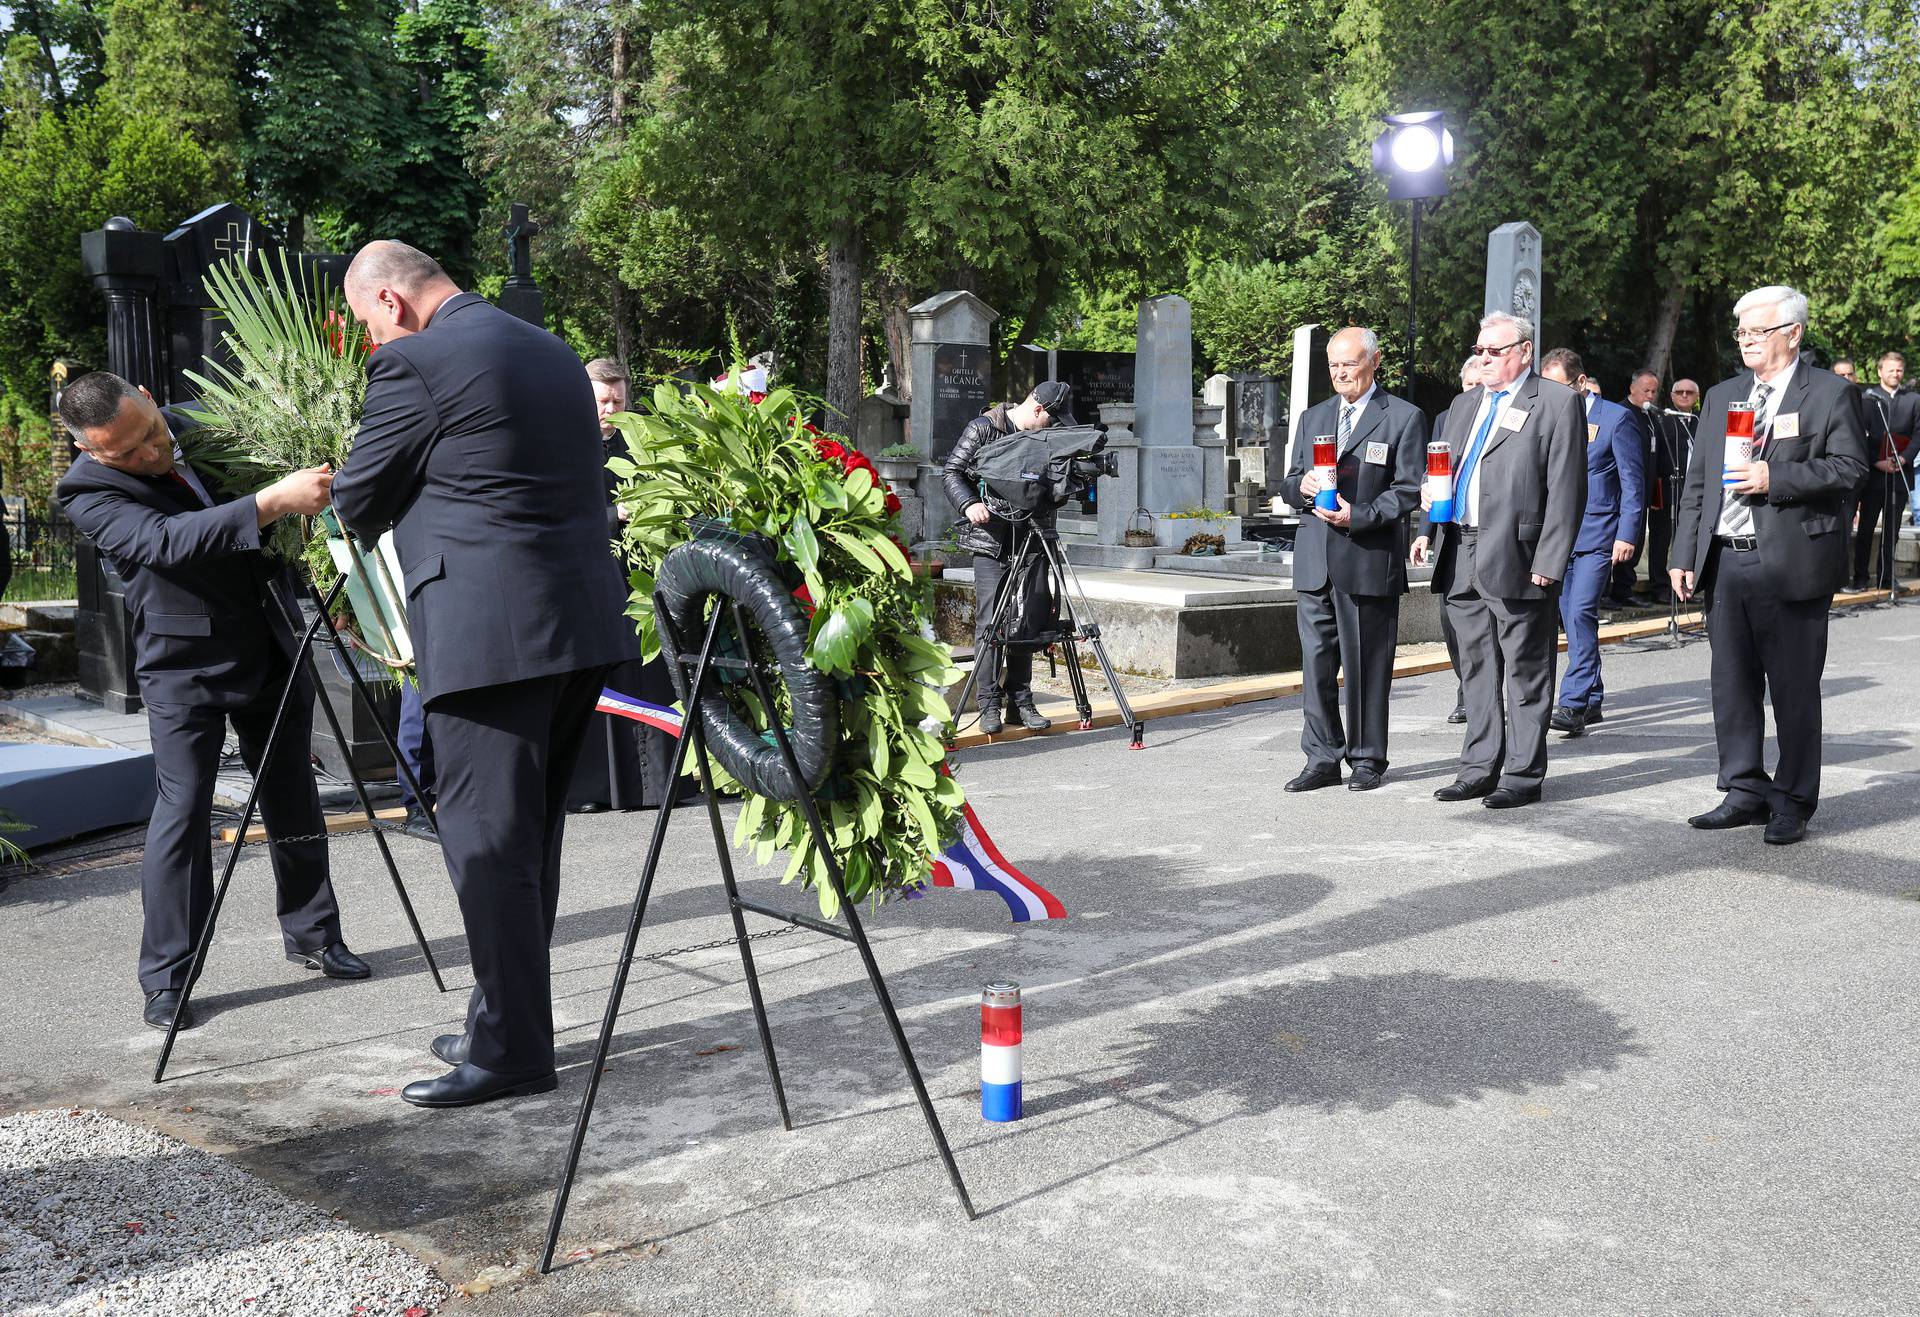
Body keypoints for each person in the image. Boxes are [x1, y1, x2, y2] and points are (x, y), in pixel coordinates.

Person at [332, 241, 636, 1107]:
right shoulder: (544, 347)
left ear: (390, 301)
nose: (371, 341)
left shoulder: (416, 363)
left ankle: (510, 1055)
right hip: (578, 624)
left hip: (486, 636)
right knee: (528, 839)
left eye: (365, 325)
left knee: (487, 845)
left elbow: (359, 499)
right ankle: (498, 1022)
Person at [55, 371, 370, 1032]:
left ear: (147, 394)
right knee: (183, 811)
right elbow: (167, 543)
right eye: (128, 453)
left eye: (151, 431)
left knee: (293, 792)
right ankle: (169, 975)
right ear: (93, 453)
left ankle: (315, 934)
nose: (151, 453)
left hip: (269, 641)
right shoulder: (85, 491)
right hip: (183, 666)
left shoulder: (209, 424)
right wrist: (274, 502)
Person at [1670, 285, 1867, 845]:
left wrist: (1774, 479)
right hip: (1726, 561)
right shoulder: (1722, 394)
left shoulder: (1830, 393)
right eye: (1741, 332)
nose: (1746, 342)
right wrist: (1684, 553)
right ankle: (1743, 790)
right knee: (1731, 684)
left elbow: (1851, 468)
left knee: (1793, 689)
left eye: (1757, 331)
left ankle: (1793, 800)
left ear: (1793, 333)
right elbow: (1700, 481)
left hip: (1793, 561)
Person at [1415, 312, 1586, 809]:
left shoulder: (1556, 403)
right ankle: (1478, 766)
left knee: (1526, 668)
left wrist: (1551, 559)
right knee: (1475, 665)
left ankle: (1523, 775)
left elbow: (1567, 489)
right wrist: (1434, 493)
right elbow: (1454, 465)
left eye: (1494, 351)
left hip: (1520, 552)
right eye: (1479, 350)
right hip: (1461, 547)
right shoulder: (1464, 403)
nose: (1483, 359)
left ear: (1525, 351)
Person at [1274, 327, 1425, 792]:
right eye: (1334, 365)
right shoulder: (1313, 415)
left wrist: (1356, 516)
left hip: (1366, 555)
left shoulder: (1403, 416)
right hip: (1315, 558)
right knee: (1316, 664)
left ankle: (1366, 758)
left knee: (1365, 665)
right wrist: (1297, 488)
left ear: (1374, 362)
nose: (1341, 373)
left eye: (1350, 364)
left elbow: (1409, 489)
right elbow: (1291, 480)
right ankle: (1321, 758)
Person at [567, 357, 698, 814]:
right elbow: (556, 518)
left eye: (618, 400)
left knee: (654, 677)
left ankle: (663, 784)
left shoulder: (639, 445)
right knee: (603, 684)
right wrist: (613, 517)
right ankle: (595, 789)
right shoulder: (562, 447)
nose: (610, 409)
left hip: (642, 583)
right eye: (603, 401)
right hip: (591, 582)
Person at [942, 380, 1074, 735]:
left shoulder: (1044, 439)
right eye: (1052, 419)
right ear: (1037, 409)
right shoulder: (985, 428)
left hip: (1031, 539)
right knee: (990, 623)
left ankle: (1020, 701)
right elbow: (952, 471)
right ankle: (988, 704)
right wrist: (969, 503)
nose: (1054, 427)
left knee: (1028, 618)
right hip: (991, 542)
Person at [1540, 349, 1645, 736]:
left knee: (1582, 611)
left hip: (1599, 534)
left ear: (1581, 383)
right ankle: (1593, 697)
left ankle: (1572, 701)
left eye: (1559, 387)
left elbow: (1634, 483)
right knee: (1570, 617)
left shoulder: (1616, 419)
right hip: (1556, 536)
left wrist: (1627, 534)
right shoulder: (1547, 419)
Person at [1422, 356, 1482, 724]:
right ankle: (1466, 686)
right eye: (1468, 386)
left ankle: (1478, 696)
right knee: (1451, 619)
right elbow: (1434, 478)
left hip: (1488, 535)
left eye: (1480, 385)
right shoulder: (1446, 419)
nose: (1473, 392)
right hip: (1451, 535)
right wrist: (1423, 533)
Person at [1853, 351, 1918, 588]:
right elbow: (1859, 435)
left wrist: (1903, 458)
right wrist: (1875, 461)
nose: (1895, 374)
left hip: (1899, 473)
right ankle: (1860, 578)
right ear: (1880, 371)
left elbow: (1918, 434)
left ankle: (1887, 577)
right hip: (1873, 475)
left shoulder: (1913, 400)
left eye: (1899, 369)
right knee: (1867, 529)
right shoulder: (1868, 400)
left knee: (1893, 531)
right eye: (1890, 369)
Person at [1606, 369, 1663, 604]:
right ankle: (1609, 591)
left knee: (1637, 541)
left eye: (1653, 391)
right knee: (1621, 540)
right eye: (1645, 390)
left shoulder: (1652, 417)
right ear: (1632, 389)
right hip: (1622, 492)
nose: (1649, 396)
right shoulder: (1620, 413)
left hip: (1645, 489)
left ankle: (1624, 590)